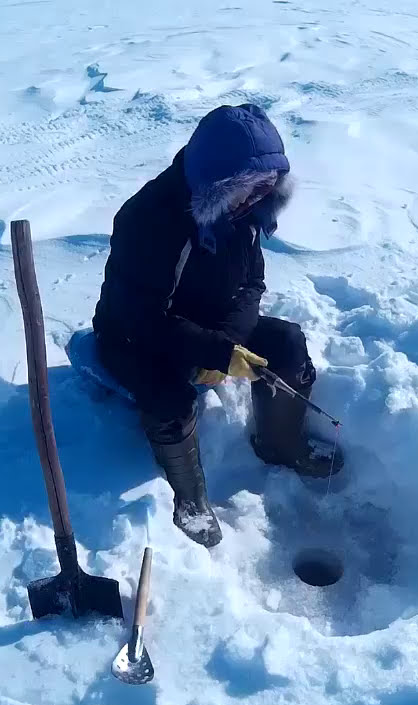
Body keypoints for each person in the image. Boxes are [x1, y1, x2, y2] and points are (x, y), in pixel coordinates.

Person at [91, 104, 345, 548]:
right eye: (248, 187)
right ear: (215, 179)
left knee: (285, 344)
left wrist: (227, 343)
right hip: (133, 338)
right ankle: (190, 501)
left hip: (207, 326)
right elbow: (142, 319)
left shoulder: (244, 213)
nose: (257, 198)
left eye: (268, 186)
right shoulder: (149, 221)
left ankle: (280, 444)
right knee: (168, 397)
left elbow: (252, 284)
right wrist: (211, 352)